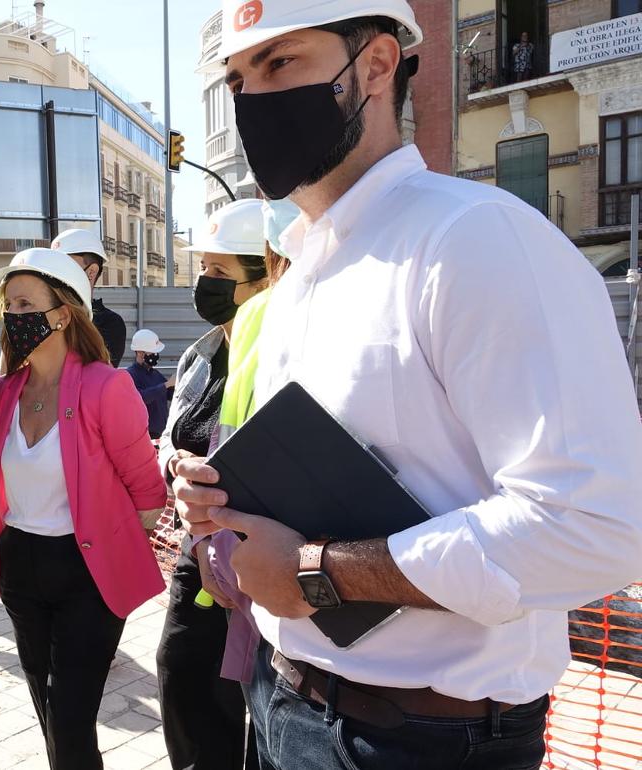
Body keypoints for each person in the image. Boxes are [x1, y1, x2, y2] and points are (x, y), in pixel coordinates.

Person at [174, 2, 642, 768]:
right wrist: (222, 500)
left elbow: (594, 527)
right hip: (282, 700)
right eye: (239, 77)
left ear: (378, 64)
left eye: (282, 62)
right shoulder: (295, 284)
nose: (254, 98)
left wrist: (315, 574)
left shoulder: (478, 242)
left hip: (425, 740)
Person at [0, 248, 166, 770]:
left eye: (25, 303)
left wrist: (118, 538)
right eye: (8, 305)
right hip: (20, 562)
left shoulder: (107, 386)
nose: (13, 316)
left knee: (70, 715)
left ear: (62, 314)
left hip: (87, 571)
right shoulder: (8, 390)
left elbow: (145, 488)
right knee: (46, 705)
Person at [153, 198, 278, 770]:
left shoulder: (290, 354)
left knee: (266, 710)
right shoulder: (200, 358)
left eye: (219, 271)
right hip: (197, 555)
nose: (205, 282)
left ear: (269, 273)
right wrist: (173, 462)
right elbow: (168, 438)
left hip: (266, 558)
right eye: (203, 267)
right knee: (182, 678)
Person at [50, 229, 125, 367]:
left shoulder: (110, 324)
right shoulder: (45, 313)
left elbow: (98, 377)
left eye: (65, 264)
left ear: (91, 272)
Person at [125, 329, 173, 440]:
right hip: (144, 436)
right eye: (152, 352)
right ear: (140, 353)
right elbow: (140, 398)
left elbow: (168, 394)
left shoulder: (155, 374)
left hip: (161, 434)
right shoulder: (130, 375)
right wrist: (166, 385)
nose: (155, 355)